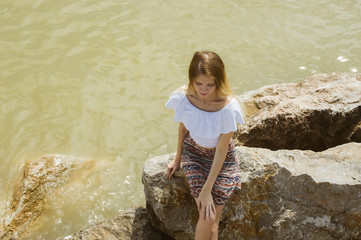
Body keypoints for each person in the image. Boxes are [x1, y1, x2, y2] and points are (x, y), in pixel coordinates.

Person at [165, 51, 245, 240]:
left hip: (221, 160)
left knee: (212, 222)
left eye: (210, 84)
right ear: (191, 79)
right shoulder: (184, 99)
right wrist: (177, 159)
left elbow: (222, 148)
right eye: (198, 83)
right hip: (193, 153)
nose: (203, 90)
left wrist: (207, 189)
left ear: (219, 81)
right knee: (208, 217)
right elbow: (182, 129)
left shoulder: (228, 108)